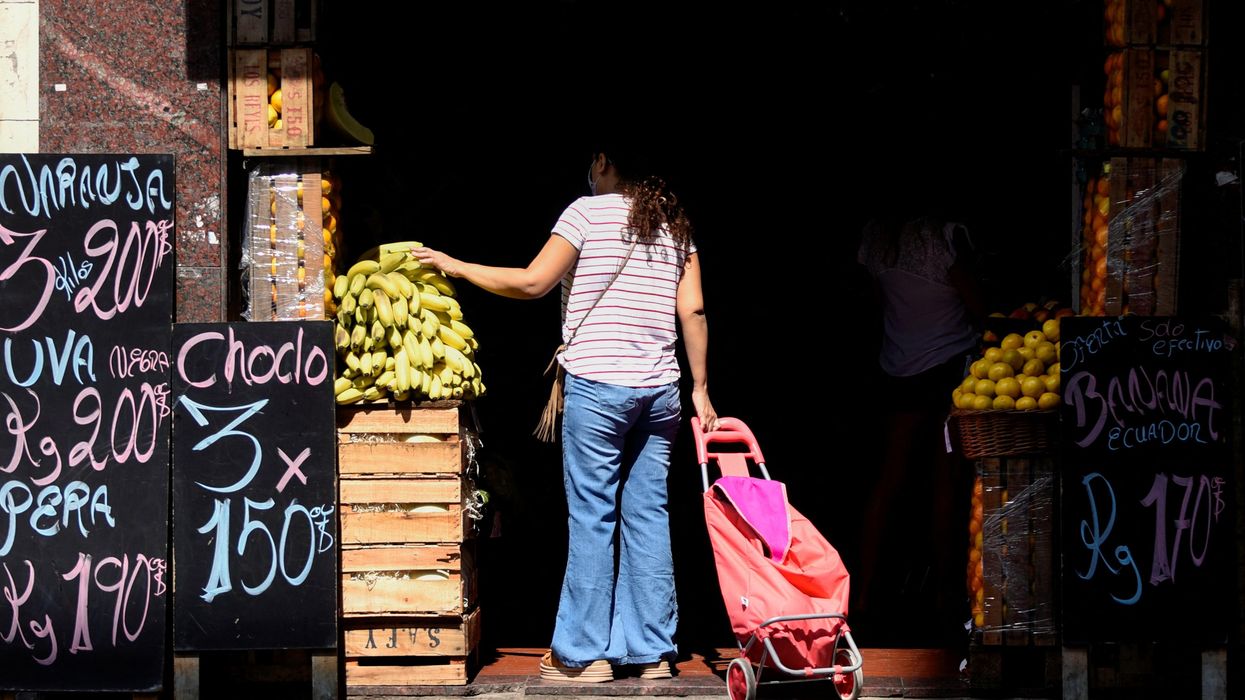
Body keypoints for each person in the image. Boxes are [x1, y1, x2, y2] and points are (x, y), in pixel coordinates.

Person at [411, 147, 719, 683]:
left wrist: (455, 265)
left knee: (593, 515)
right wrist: (701, 387)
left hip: (598, 386)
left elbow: (533, 282)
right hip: (660, 391)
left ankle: (583, 654)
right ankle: (650, 652)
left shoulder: (584, 212)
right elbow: (691, 309)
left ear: (603, 161)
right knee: (648, 513)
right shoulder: (675, 222)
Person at [854, 207, 984, 643]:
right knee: (946, 484)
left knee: (887, 484)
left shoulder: (875, 237)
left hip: (898, 370)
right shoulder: (944, 236)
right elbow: (978, 302)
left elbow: (875, 305)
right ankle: (948, 598)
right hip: (949, 368)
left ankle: (863, 597)